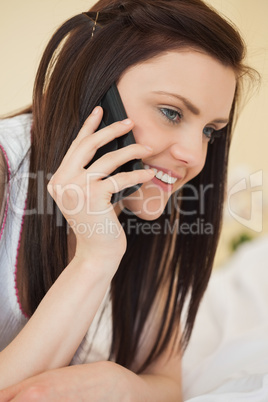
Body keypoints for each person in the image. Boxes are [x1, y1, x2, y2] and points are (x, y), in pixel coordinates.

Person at [0, 0, 255, 400]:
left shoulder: (152, 197)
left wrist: (124, 386)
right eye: (171, 112)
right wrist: (96, 257)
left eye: (209, 131)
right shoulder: (5, 173)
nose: (195, 156)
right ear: (95, 86)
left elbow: (167, 384)